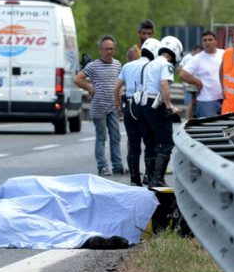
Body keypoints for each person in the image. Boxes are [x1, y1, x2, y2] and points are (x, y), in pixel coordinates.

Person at [74, 35, 124, 176]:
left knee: (116, 136)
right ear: (101, 50)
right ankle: (102, 166)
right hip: (98, 106)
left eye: (112, 49)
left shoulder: (117, 64)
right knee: (101, 137)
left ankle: (117, 166)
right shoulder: (93, 65)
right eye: (107, 49)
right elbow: (77, 79)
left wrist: (120, 104)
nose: (109, 51)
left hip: (113, 106)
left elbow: (119, 85)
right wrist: (89, 88)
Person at [113, 38, 161, 186]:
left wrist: (119, 106)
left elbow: (116, 89)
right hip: (146, 106)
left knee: (133, 144)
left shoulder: (127, 66)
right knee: (150, 143)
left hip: (129, 106)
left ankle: (134, 180)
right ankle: (149, 175)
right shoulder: (154, 66)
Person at [139, 36, 183, 187]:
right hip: (156, 104)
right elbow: (164, 83)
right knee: (166, 141)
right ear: (176, 51)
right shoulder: (166, 64)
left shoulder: (150, 64)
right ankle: (157, 178)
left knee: (151, 140)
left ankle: (150, 176)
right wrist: (169, 105)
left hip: (144, 104)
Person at [179, 31, 224, 118]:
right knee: (210, 129)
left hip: (225, 99)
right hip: (207, 101)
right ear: (202, 43)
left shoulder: (223, 54)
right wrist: (198, 82)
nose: (207, 42)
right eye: (205, 40)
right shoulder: (197, 58)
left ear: (216, 41)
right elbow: (183, 74)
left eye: (210, 40)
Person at [176, 44, 202, 119]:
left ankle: (192, 118)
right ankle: (188, 119)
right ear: (193, 51)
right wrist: (187, 72)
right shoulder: (188, 58)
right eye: (197, 52)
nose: (198, 54)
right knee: (190, 102)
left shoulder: (197, 58)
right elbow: (179, 69)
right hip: (189, 84)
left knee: (194, 102)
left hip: (195, 83)